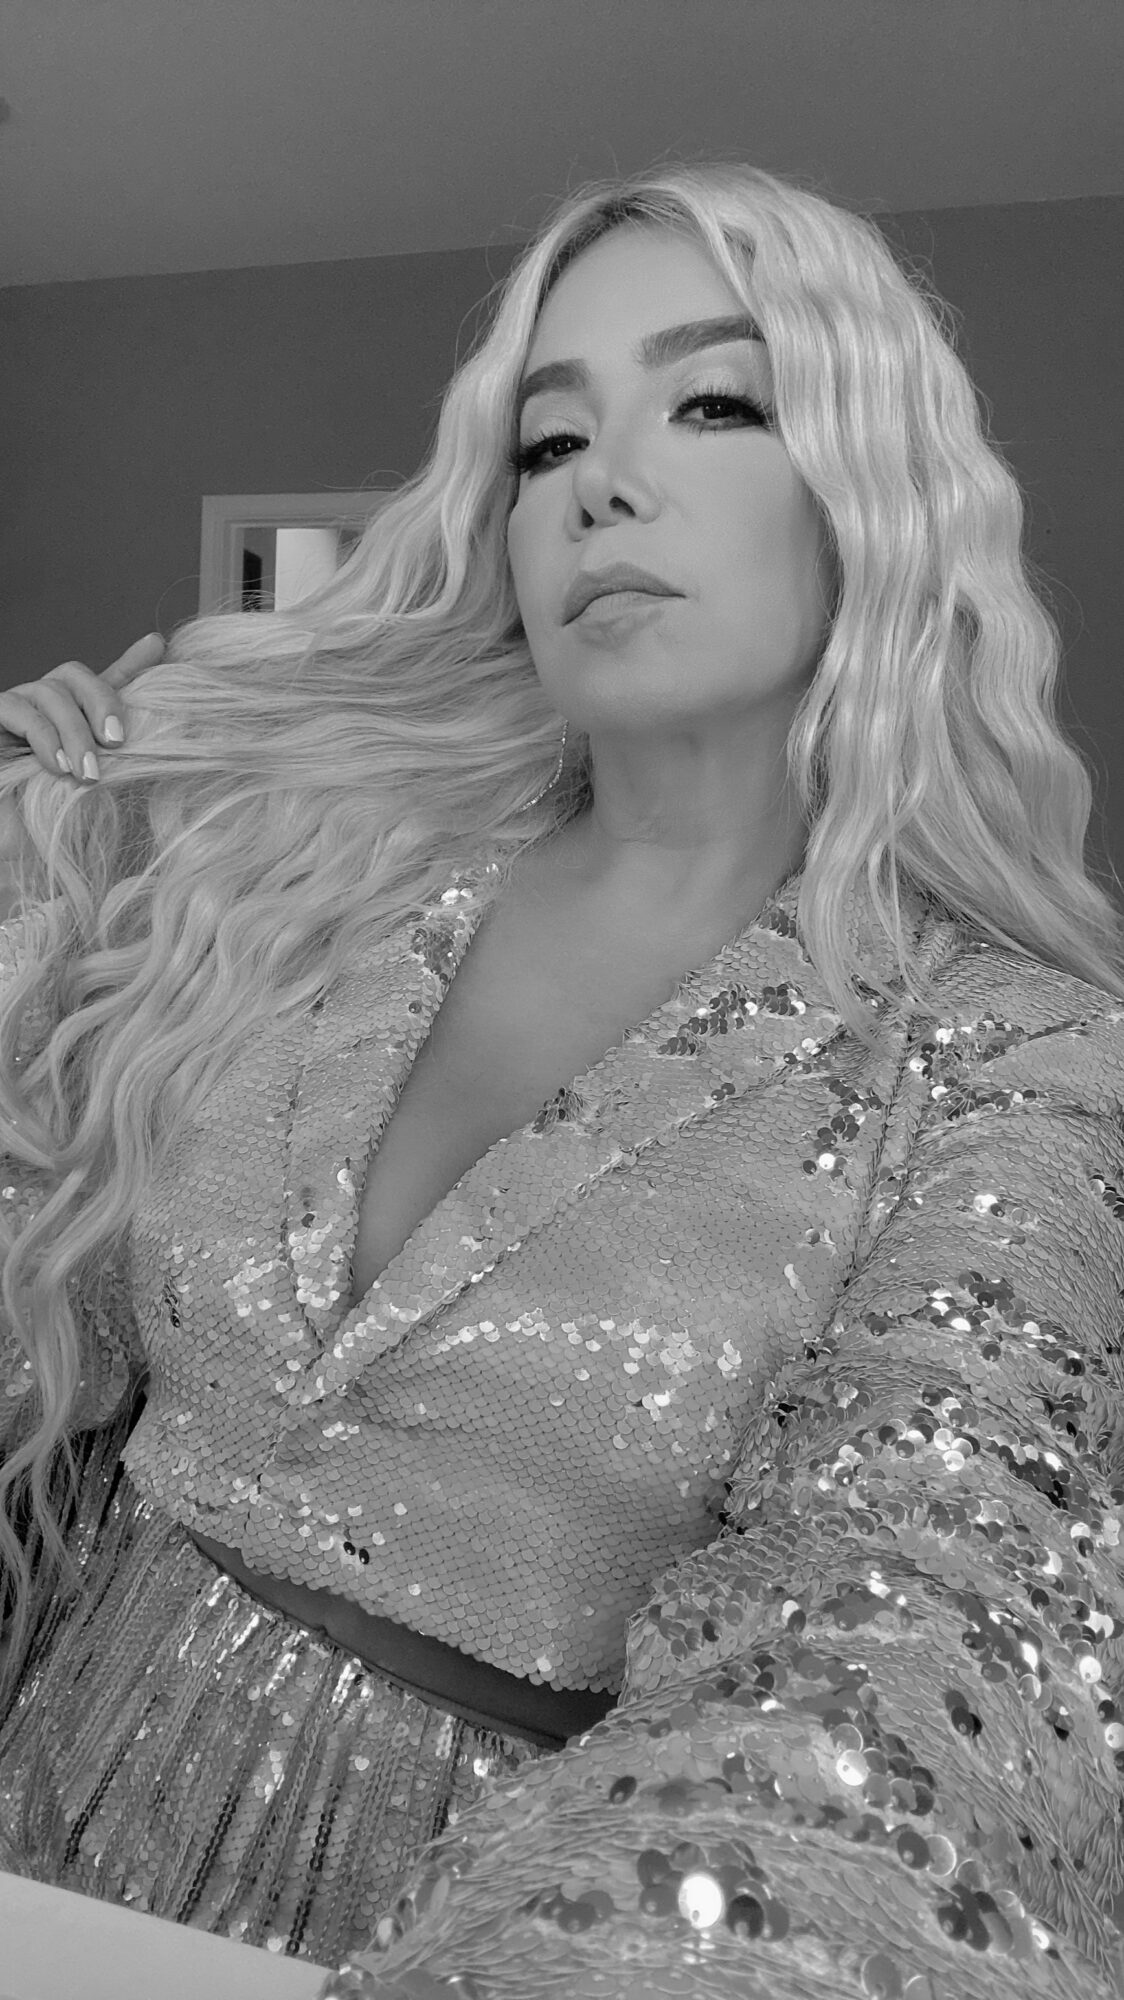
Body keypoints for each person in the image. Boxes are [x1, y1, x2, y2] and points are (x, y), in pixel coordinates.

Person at [1, 160, 1123, 2000]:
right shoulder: (311, 892)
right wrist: (30, 858)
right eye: (548, 441)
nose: (603, 482)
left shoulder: (1015, 1065)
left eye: (715, 403)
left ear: (873, 489)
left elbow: (921, 1627)